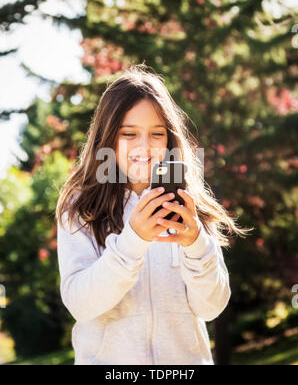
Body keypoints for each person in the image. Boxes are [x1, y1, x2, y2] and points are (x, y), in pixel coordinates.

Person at [56, 64, 251, 365]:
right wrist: (132, 241)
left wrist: (197, 243)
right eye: (129, 133)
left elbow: (211, 307)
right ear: (106, 138)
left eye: (157, 134)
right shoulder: (81, 206)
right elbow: (81, 305)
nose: (144, 146)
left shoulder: (187, 202)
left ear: (170, 140)